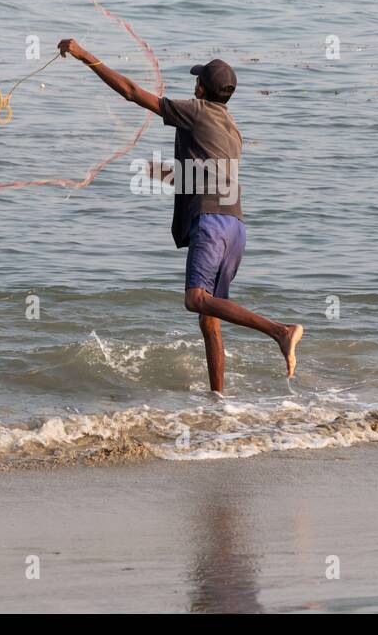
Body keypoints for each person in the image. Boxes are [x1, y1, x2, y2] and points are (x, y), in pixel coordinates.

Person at [57, 38, 303, 391]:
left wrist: (84, 55)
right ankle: (217, 400)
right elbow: (208, 175)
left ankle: (280, 331)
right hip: (235, 226)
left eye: (197, 80)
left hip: (211, 222)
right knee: (209, 317)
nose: (194, 84)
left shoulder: (197, 111)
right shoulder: (231, 128)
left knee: (195, 299)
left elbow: (130, 92)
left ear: (201, 89)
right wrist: (156, 173)